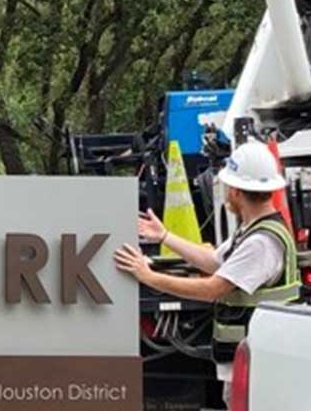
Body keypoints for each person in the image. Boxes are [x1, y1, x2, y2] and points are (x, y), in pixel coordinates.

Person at [114, 140, 300, 394]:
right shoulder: (253, 230)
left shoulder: (261, 242)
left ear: (235, 191)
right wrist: (165, 236)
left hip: (259, 361)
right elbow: (213, 261)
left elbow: (213, 288)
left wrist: (149, 277)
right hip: (254, 355)